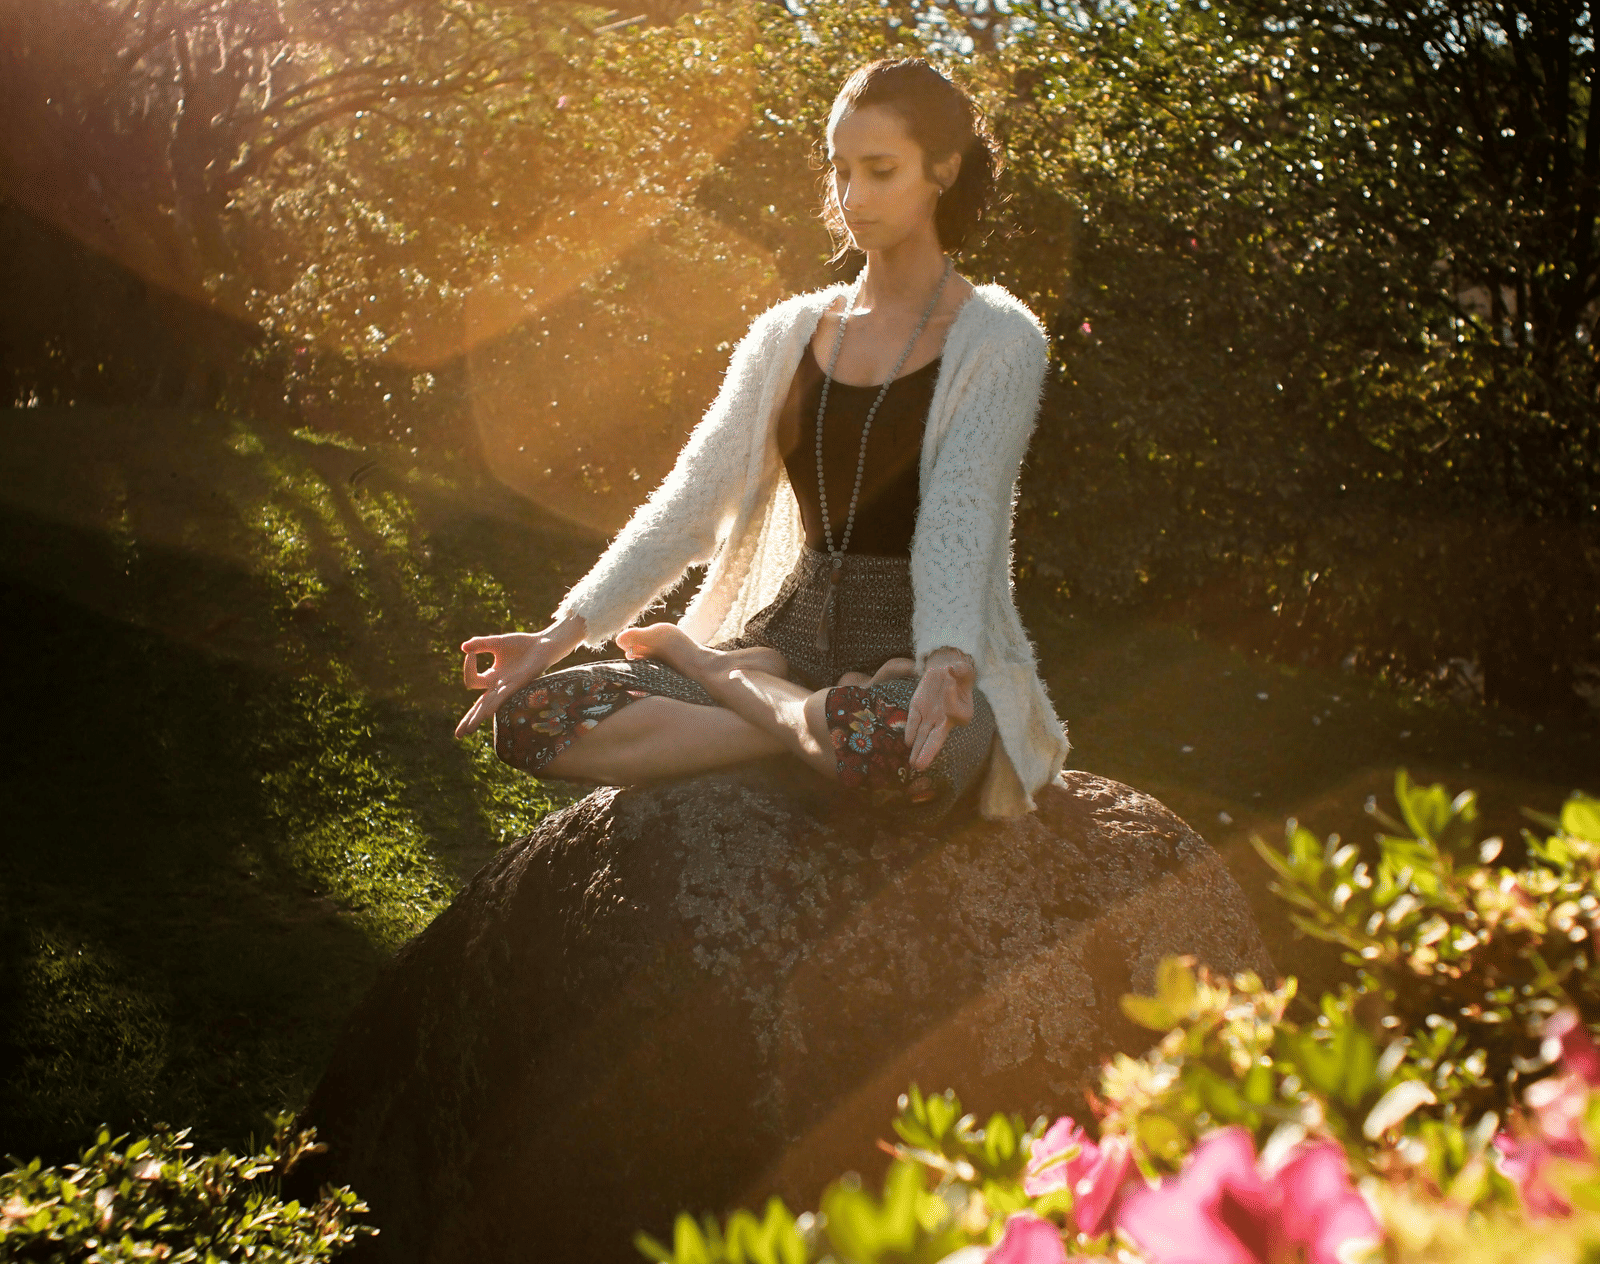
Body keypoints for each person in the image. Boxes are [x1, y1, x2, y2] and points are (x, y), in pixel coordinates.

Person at [454, 56, 1070, 826]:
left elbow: (962, 508)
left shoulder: (1001, 339)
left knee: (894, 758)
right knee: (533, 715)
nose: (853, 198)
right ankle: (788, 712)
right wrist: (557, 636)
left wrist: (948, 657)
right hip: (785, 631)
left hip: (915, 652)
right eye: (840, 170)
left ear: (943, 168)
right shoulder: (788, 334)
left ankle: (712, 672)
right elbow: (687, 502)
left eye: (881, 171)